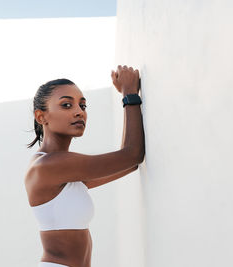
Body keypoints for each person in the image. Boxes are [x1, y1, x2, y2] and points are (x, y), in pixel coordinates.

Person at [24, 65, 145, 267]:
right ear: (41, 116)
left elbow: (129, 163)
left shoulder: (63, 170)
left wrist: (128, 95)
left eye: (83, 106)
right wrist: (129, 94)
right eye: (66, 105)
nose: (79, 112)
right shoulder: (49, 165)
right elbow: (132, 155)